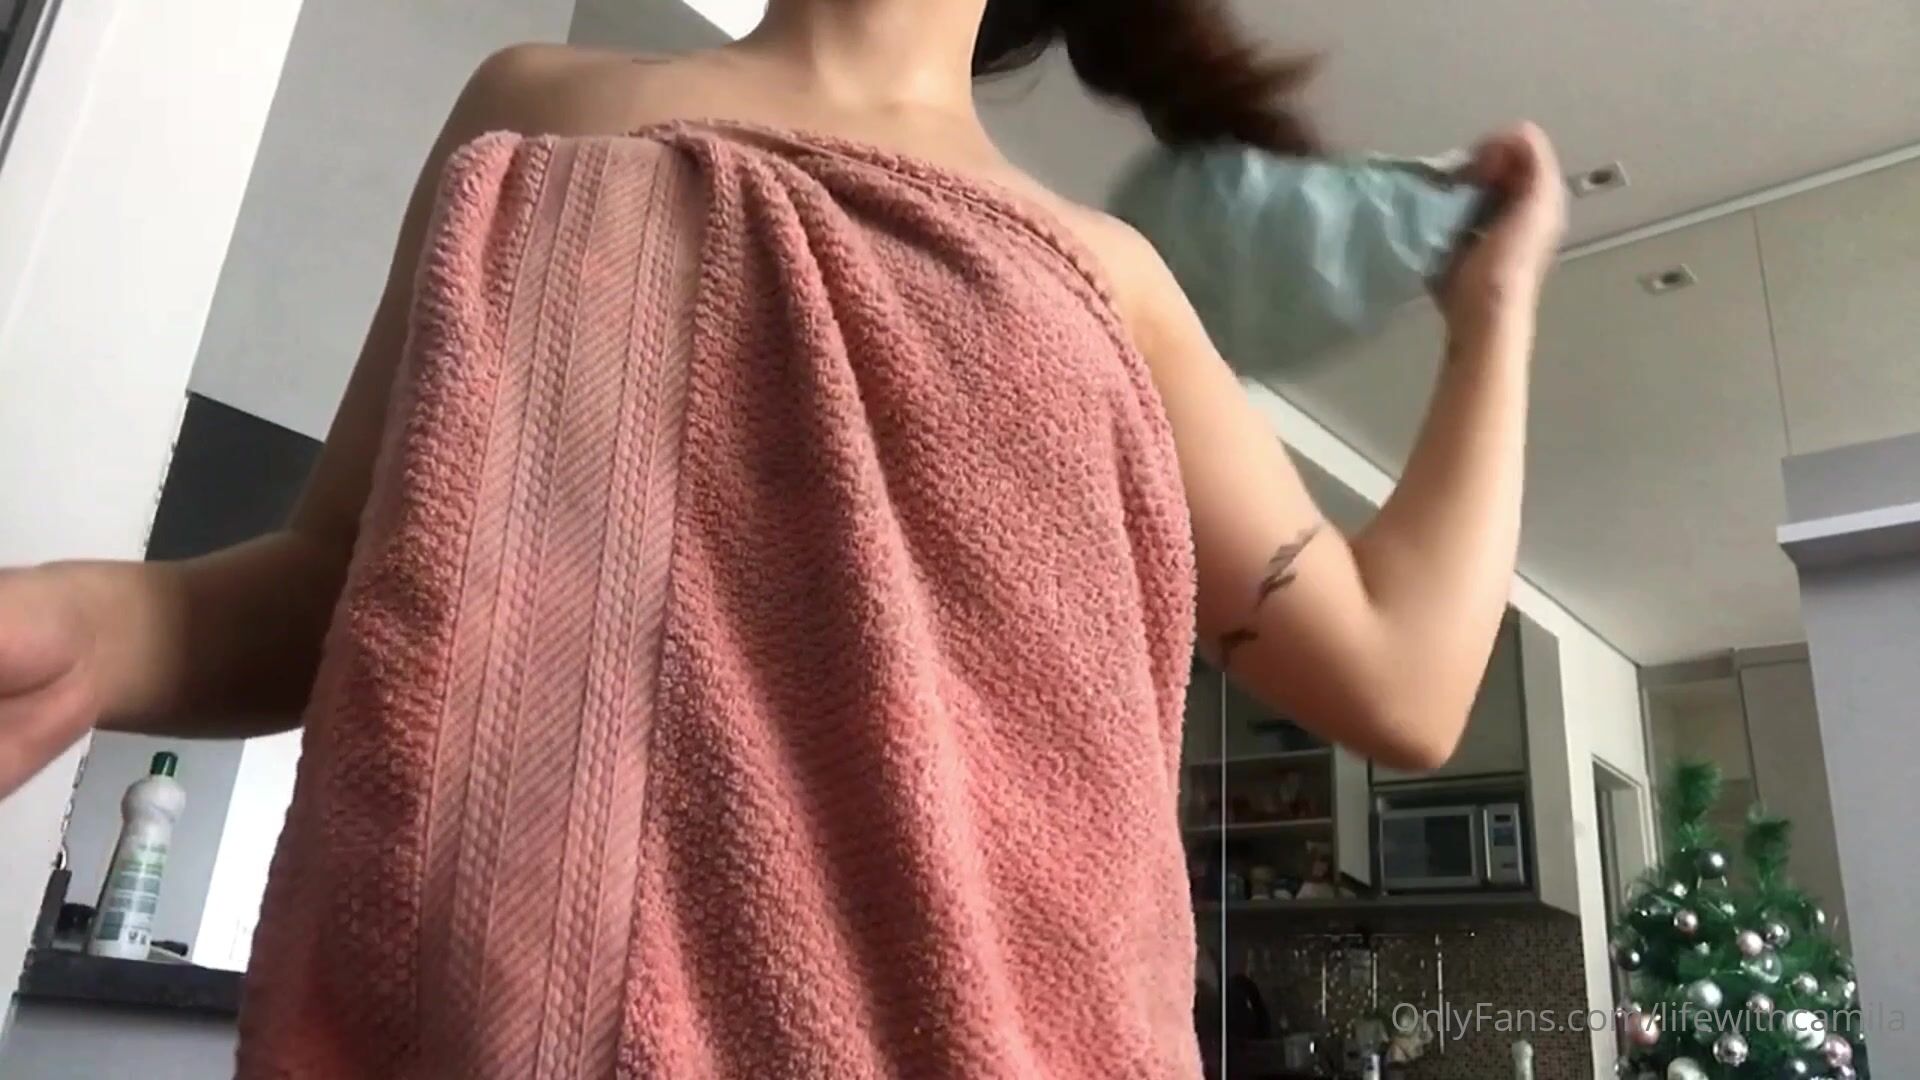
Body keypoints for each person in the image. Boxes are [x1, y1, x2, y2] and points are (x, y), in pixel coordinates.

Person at [0, 0, 1565, 1075]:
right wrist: (97, 627)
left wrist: (1493, 315)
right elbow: (348, 588)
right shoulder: (540, 111)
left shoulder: (1107, 283)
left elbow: (1404, 677)